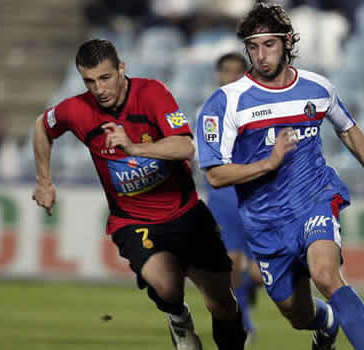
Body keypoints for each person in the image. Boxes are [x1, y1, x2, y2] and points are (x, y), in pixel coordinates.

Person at [196, 3, 364, 350]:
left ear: (287, 41)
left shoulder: (317, 88)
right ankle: (327, 323)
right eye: (253, 47)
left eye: (269, 45)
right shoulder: (226, 103)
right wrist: (267, 164)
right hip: (265, 222)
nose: (260, 55)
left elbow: (347, 129)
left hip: (313, 198)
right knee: (297, 314)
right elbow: (215, 176)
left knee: (326, 275)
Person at [32, 39, 247, 350]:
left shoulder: (152, 93)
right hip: (133, 220)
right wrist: (44, 181)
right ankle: (178, 318)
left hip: (186, 214)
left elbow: (184, 146)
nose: (99, 89)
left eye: (105, 78)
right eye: (89, 81)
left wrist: (135, 148)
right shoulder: (77, 110)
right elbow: (43, 125)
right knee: (167, 284)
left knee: (221, 304)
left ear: (121, 69)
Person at [203, 52, 262, 341]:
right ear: (218, 75)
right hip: (224, 194)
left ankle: (248, 293)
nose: (231, 76)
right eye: (226, 71)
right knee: (230, 263)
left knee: (259, 274)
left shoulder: (260, 108)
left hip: (257, 193)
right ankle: (244, 324)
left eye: (237, 71)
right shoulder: (210, 111)